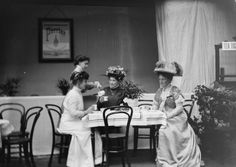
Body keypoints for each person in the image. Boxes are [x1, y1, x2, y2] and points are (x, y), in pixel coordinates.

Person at [153, 61, 201, 167]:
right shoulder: (159, 91)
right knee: (163, 128)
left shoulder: (174, 90)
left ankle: (172, 157)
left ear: (169, 80)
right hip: (164, 116)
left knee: (166, 129)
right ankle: (165, 157)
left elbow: (180, 108)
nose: (161, 81)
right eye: (160, 79)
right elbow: (155, 105)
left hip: (176, 116)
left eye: (163, 79)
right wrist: (153, 111)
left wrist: (168, 116)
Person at [58, 71, 102, 167]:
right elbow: (73, 113)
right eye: (85, 81)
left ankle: (88, 160)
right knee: (86, 130)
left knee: (90, 128)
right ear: (78, 82)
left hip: (73, 121)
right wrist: (87, 112)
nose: (86, 84)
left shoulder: (76, 92)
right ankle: (81, 162)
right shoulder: (73, 94)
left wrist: (87, 111)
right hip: (68, 123)